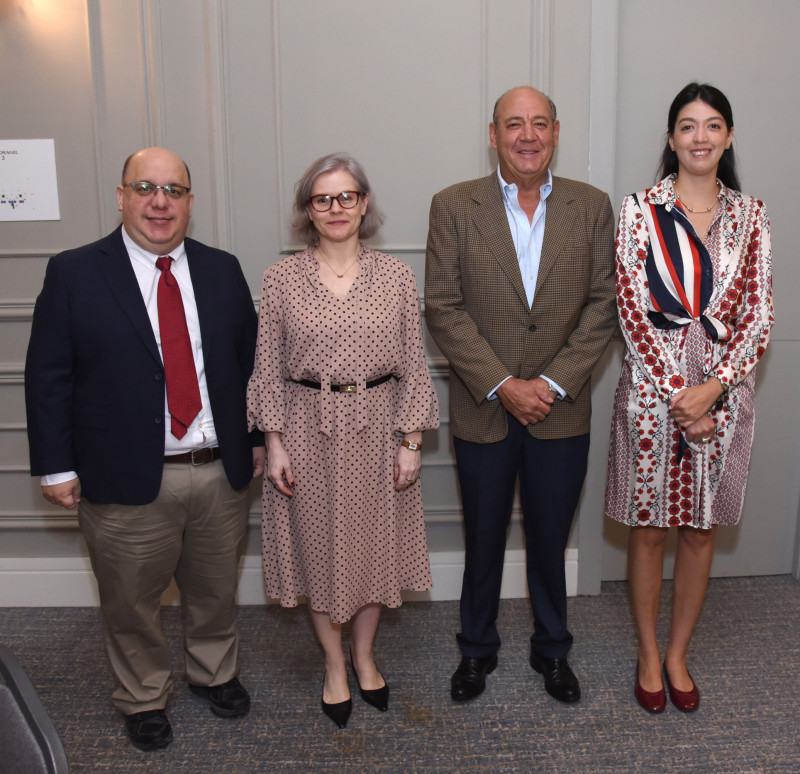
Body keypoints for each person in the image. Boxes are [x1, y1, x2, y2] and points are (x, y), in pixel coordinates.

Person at [25, 147, 263, 750]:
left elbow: (248, 363)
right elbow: (49, 375)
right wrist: (55, 466)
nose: (160, 202)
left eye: (173, 190)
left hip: (216, 469)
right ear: (121, 196)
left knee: (214, 589)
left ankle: (215, 673)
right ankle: (143, 695)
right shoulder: (75, 271)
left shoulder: (221, 268)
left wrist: (256, 439)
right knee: (132, 601)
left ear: (189, 201)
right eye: (145, 187)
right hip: (124, 476)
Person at [425, 87, 616, 704]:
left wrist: (551, 383)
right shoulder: (454, 206)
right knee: (482, 535)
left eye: (539, 124)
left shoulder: (591, 207)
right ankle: (476, 651)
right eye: (514, 124)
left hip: (562, 410)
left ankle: (551, 649)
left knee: (550, 536)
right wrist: (505, 384)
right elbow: (444, 308)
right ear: (493, 133)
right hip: (484, 408)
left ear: (556, 133)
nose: (527, 135)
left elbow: (602, 306)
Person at [247, 152, 439, 728]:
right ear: (308, 209)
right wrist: (273, 441)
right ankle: (333, 664)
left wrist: (411, 441)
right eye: (322, 198)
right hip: (305, 428)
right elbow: (268, 366)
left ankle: (364, 655)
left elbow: (413, 361)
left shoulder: (397, 275)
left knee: (375, 545)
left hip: (380, 427)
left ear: (364, 203)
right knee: (317, 549)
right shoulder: (280, 278)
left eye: (346, 196)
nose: (336, 208)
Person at [605, 83, 774, 714]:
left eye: (712, 126)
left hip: (724, 395)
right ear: (671, 138)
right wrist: (681, 395)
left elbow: (760, 315)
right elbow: (630, 308)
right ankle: (648, 653)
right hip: (652, 396)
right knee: (649, 531)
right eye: (686, 126)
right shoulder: (639, 211)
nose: (699, 137)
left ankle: (678, 653)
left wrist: (713, 389)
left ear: (728, 137)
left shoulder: (751, 216)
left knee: (700, 533)